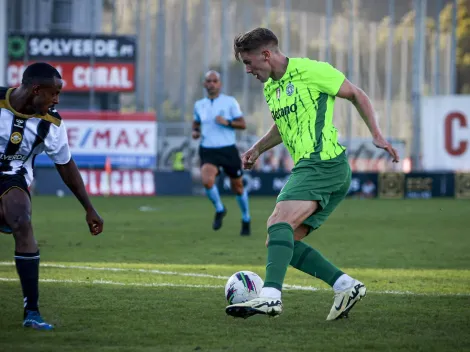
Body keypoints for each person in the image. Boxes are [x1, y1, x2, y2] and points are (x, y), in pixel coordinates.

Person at [225, 28, 399, 320]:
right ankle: (345, 286)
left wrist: (377, 134)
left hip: (323, 163)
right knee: (282, 240)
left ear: (266, 55)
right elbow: (283, 125)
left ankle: (270, 297)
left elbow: (356, 94)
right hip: (317, 169)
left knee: (278, 221)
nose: (247, 70)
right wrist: (257, 149)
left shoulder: (312, 71)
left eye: (249, 62)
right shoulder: (271, 88)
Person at [0, 62, 104, 330]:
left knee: (22, 219)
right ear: (36, 90)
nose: (57, 100)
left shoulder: (52, 123)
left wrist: (89, 208)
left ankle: (31, 312)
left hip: (14, 177)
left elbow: (66, 166)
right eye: (54, 93)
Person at [192, 70, 251, 235]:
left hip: (227, 149)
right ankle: (220, 208)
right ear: (204, 84)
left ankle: (246, 218)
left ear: (220, 84)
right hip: (208, 149)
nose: (211, 84)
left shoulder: (229, 102)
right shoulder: (199, 105)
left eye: (214, 81)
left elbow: (242, 124)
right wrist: (195, 132)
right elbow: (196, 123)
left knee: (238, 187)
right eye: (208, 81)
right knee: (206, 180)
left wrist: (227, 122)